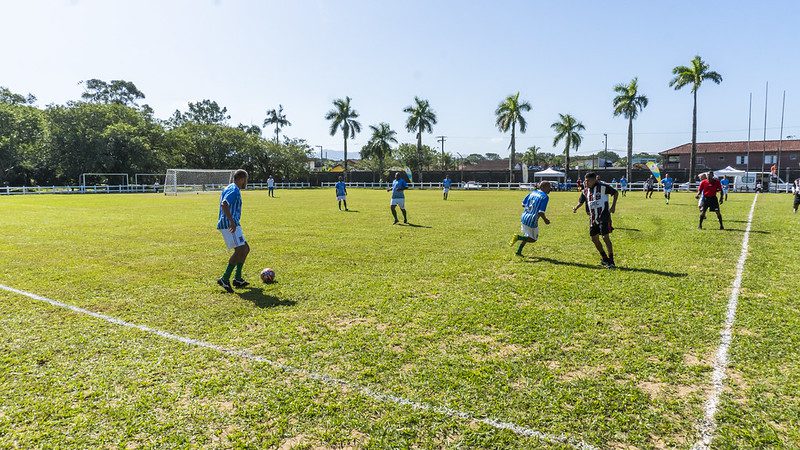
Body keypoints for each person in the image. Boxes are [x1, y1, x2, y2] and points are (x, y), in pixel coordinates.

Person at [573, 172, 619, 268]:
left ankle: (611, 260)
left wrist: (613, 206)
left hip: (604, 216)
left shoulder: (603, 187)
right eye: (585, 180)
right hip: (593, 218)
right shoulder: (585, 191)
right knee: (594, 239)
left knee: (605, 237)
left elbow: (615, 192)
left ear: (594, 180)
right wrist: (576, 208)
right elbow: (581, 201)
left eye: (588, 180)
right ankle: (605, 258)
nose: (586, 182)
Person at [216, 169, 251, 293]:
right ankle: (225, 278)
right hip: (229, 225)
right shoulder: (234, 189)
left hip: (233, 223)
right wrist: (231, 221)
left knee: (245, 249)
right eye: (246, 180)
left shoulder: (231, 188)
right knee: (240, 250)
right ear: (241, 179)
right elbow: (224, 204)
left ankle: (237, 279)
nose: (246, 182)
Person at [510, 181, 551, 256]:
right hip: (532, 219)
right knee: (533, 239)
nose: (550, 189)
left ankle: (519, 251)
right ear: (543, 187)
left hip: (524, 217)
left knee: (527, 235)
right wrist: (546, 220)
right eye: (549, 187)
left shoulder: (533, 192)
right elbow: (541, 212)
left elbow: (523, 204)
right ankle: (518, 237)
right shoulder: (544, 196)